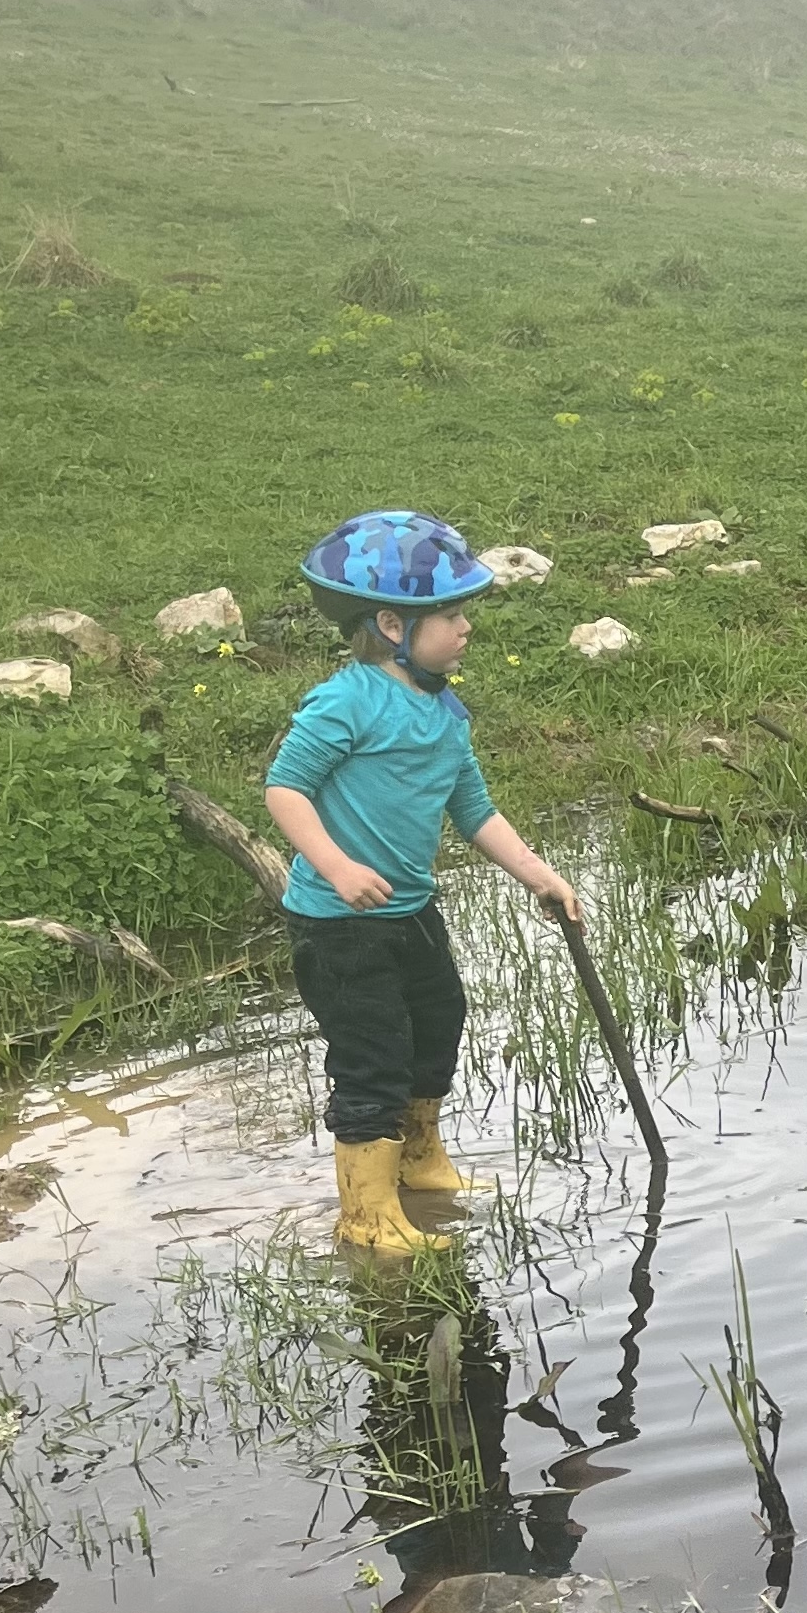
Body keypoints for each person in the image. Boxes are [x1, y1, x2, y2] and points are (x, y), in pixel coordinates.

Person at [264, 511, 579, 1254]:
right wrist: (337, 867)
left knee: (438, 1024)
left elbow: (473, 808)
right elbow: (285, 788)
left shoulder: (443, 710)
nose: (466, 628)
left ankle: (420, 1160)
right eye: (451, 615)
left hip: (410, 910)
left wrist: (540, 876)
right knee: (373, 1056)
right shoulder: (347, 701)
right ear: (391, 624)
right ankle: (366, 1214)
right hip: (339, 924)